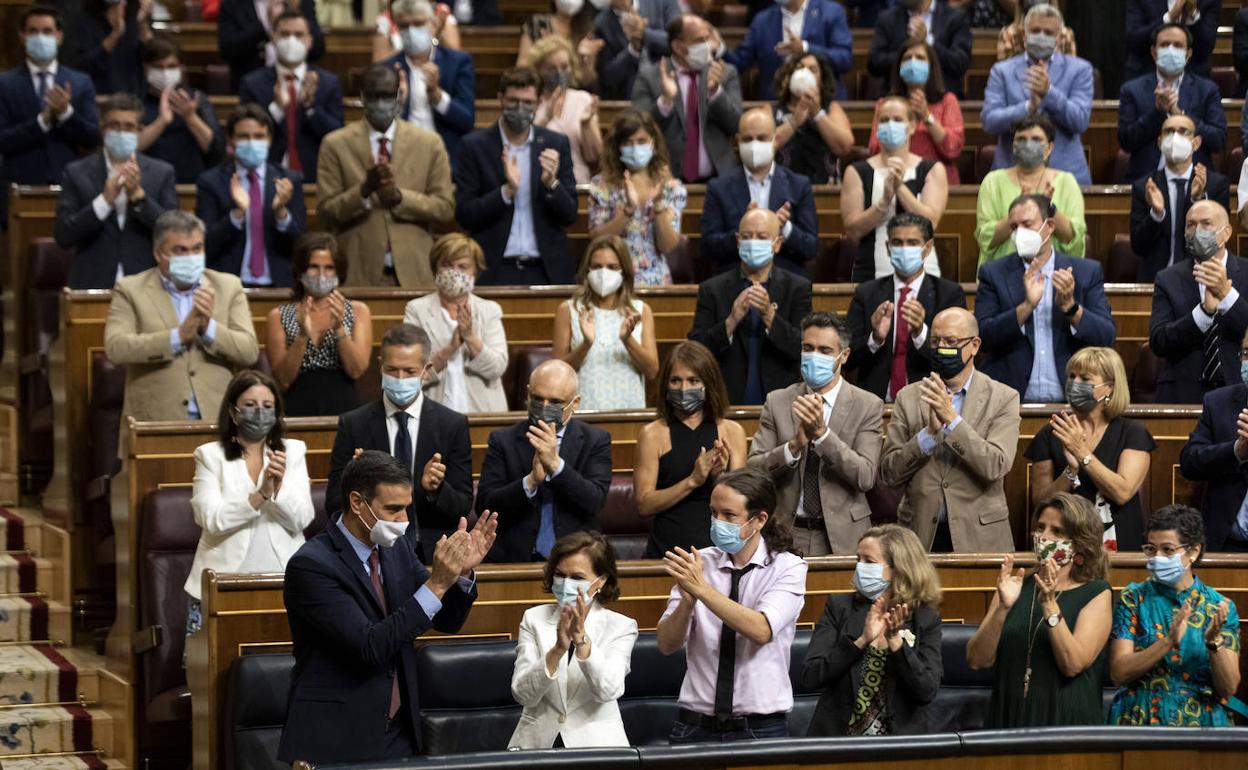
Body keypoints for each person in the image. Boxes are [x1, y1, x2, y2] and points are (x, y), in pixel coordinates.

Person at [277, 451, 497, 764]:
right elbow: (370, 646)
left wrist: (460, 574)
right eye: (393, 509)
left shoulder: (396, 549)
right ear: (357, 502)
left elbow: (446, 619)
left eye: (407, 508)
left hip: (398, 732)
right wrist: (437, 583)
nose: (403, 520)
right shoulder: (312, 565)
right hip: (335, 737)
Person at [656, 467, 806, 742]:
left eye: (729, 515)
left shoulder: (788, 567)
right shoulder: (698, 563)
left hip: (761, 728)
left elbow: (761, 629)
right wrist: (686, 604)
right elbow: (666, 644)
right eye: (714, 513)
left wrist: (702, 590)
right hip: (695, 725)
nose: (717, 522)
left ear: (759, 520)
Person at [183, 369, 314, 642]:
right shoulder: (210, 456)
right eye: (250, 405)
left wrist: (277, 492)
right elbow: (211, 519)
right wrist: (261, 495)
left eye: (267, 406)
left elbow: (302, 518)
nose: (259, 413)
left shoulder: (293, 451)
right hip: (222, 580)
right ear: (233, 412)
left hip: (284, 576)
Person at [324, 324, 473, 563]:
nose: (400, 378)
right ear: (380, 365)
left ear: (426, 370)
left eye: (409, 371)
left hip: (431, 553)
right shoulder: (353, 424)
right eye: (392, 370)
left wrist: (435, 490)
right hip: (371, 552)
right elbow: (333, 504)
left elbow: (462, 506)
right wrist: (356, 480)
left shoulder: (452, 425)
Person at [965, 493, 1112, 726]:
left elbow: (1072, 664)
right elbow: (976, 659)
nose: (1043, 537)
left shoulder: (1096, 593)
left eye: (1057, 532)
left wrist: (1049, 604)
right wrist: (1002, 608)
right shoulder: (1014, 586)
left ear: (1080, 547)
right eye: (1041, 527)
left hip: (1065, 723)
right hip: (1009, 718)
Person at [880, 307, 1019, 552]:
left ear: (974, 345)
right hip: (919, 536)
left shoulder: (1003, 398)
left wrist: (952, 421)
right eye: (936, 342)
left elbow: (996, 465)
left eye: (951, 342)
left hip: (979, 536)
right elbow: (890, 473)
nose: (942, 348)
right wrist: (928, 437)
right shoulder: (908, 397)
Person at [103, 210, 260, 426]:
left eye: (197, 248)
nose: (190, 257)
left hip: (218, 418)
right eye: (180, 250)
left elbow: (249, 351)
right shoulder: (130, 289)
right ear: (158, 254)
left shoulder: (228, 286)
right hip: (154, 420)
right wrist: (177, 337)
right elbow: (116, 348)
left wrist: (208, 329)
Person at [747, 311, 884, 556]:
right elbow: (753, 471)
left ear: (844, 355)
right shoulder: (778, 401)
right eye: (808, 348)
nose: (814, 356)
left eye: (824, 350)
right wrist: (793, 447)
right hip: (786, 531)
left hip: (844, 535)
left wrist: (822, 435)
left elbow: (865, 476)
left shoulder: (868, 405)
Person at [317, 63, 455, 288]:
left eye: (387, 96)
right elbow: (326, 212)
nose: (381, 103)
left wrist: (400, 198)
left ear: (399, 96)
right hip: (358, 271)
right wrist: (363, 192)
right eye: (374, 96)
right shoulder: (335, 144)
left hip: (415, 271)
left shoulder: (429, 143)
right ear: (363, 97)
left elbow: (445, 208)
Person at [802, 525, 943, 735]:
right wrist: (860, 642)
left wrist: (896, 643)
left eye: (869, 561)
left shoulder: (925, 618)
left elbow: (926, 691)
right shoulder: (839, 607)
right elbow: (810, 676)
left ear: (898, 569)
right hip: (839, 739)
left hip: (900, 743)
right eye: (858, 559)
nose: (859, 567)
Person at [1108, 504, 1241, 725]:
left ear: (1193, 551)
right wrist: (1167, 642)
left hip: (1201, 721)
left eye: (1168, 550)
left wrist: (1213, 643)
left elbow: (1228, 688)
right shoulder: (1133, 598)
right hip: (1141, 716)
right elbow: (1119, 673)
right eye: (1151, 549)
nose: (1157, 557)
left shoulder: (1218, 606)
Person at [975, 193, 1116, 401]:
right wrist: (1026, 307)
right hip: (1010, 401)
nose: (1019, 233)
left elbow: (1106, 336)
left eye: (1027, 224)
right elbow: (983, 337)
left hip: (1072, 401)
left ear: (1049, 226)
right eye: (1014, 227)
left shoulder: (1086, 272)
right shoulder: (993, 273)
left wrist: (1071, 308)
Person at [508, 532, 639, 749]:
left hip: (598, 748)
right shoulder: (533, 619)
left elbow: (608, 690)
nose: (566, 584)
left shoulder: (621, 627)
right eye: (560, 575)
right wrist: (557, 650)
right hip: (537, 745)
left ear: (601, 581)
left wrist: (581, 640)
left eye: (577, 577)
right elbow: (523, 694)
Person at [475, 359, 613, 562]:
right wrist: (530, 482)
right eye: (538, 399)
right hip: (514, 558)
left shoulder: (595, 440)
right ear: (528, 394)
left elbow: (594, 501)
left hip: (575, 558)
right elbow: (485, 506)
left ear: (575, 403)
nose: (545, 407)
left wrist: (556, 466)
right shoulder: (503, 440)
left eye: (555, 402)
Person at [454, 67, 578, 286]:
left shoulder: (555, 144)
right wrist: (506, 192)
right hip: (493, 268)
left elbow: (569, 215)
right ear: (500, 99)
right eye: (513, 101)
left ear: (539, 103)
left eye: (528, 102)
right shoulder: (474, 146)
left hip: (546, 270)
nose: (520, 108)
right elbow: (465, 215)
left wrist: (551, 184)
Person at [1025, 347, 1156, 552]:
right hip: (1063, 544)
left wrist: (1082, 453)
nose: (1075, 383)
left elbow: (1122, 492)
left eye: (1085, 378)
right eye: (1071, 376)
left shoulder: (1132, 433)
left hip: (1118, 542)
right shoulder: (1052, 432)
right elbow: (1041, 503)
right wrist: (1070, 471)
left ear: (1109, 387)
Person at [635, 340, 748, 558]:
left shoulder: (732, 431)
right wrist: (693, 481)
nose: (684, 389)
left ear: (709, 383)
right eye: (675, 380)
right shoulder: (652, 434)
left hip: (719, 552)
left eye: (693, 380)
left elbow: (741, 503)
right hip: (668, 552)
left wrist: (720, 477)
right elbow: (644, 505)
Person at [688, 208, 812, 405]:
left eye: (762, 237)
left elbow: (803, 348)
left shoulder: (797, 288)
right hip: (726, 400)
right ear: (738, 241)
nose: (753, 242)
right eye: (746, 237)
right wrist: (731, 321)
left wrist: (769, 316)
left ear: (777, 244)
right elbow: (695, 350)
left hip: (781, 401)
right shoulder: (711, 289)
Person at [55, 92, 177, 290]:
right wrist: (104, 201)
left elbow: (172, 232)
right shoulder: (76, 173)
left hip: (146, 285)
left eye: (129, 127)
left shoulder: (162, 173)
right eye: (114, 126)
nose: (121, 132)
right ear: (103, 129)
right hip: (92, 284)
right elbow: (64, 235)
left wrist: (139, 197)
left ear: (139, 130)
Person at [846, 213, 967, 402]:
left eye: (912, 243)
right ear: (888, 248)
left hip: (927, 402)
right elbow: (847, 359)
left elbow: (955, 360)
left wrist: (921, 333)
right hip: (875, 403)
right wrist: (874, 338)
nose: (904, 249)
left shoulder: (949, 294)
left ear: (928, 248)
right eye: (897, 243)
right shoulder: (866, 294)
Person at [0, 5, 100, 224]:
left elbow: (93, 137)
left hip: (68, 185)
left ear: (59, 36)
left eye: (47, 31)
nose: (40, 37)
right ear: (22, 37)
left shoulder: (80, 82)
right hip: (20, 187)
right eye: (33, 31)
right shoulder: (5, 84)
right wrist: (42, 122)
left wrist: (65, 114)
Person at [196, 103, 307, 288]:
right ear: (231, 141)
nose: (251, 142)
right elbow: (205, 245)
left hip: (279, 284)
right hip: (229, 285)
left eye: (259, 136)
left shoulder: (289, 180)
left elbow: (300, 246)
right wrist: (236, 214)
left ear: (269, 140)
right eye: (243, 136)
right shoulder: (211, 182)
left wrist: (281, 213)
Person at [1148, 200, 1248, 403]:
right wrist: (1202, 313)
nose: (1197, 231)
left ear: (1226, 232)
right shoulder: (1168, 278)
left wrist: (1227, 295)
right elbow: (1158, 341)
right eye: (1191, 225)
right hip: (1181, 393)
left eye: (1206, 224)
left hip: (1238, 393)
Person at [981, 3, 1093, 185]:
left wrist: (1049, 92)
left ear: (1059, 38)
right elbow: (990, 122)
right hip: (1011, 174)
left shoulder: (1080, 69)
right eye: (1036, 31)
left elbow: (1080, 121)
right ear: (1024, 35)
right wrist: (1028, 107)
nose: (1041, 36)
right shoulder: (1002, 71)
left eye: (1048, 33)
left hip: (1065, 175)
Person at [266, 232, 372, 417]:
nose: (321, 275)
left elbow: (356, 370)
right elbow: (283, 379)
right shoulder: (278, 315)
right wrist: (302, 336)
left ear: (338, 272)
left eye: (329, 268)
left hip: (345, 408)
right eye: (313, 267)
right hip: (296, 407)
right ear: (300, 271)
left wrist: (339, 329)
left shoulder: (357, 311)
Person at [702, 107, 818, 276]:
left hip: (785, 279)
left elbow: (811, 248)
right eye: (748, 139)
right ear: (737, 141)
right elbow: (708, 248)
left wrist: (785, 228)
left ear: (775, 140)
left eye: (762, 138)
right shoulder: (718, 187)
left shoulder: (799, 185)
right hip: (735, 278)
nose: (754, 145)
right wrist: (743, 230)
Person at [843, 96, 948, 283]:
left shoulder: (932, 169)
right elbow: (853, 230)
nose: (890, 125)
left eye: (898, 119)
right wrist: (883, 202)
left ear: (912, 126)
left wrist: (899, 186)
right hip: (871, 272)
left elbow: (931, 223)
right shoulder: (857, 171)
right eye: (884, 120)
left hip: (924, 272)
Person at [403, 233, 509, 413]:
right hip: (433, 414)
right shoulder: (416, 310)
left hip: (483, 413)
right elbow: (410, 373)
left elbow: (497, 368)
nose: (454, 272)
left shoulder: (489, 310)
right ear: (435, 268)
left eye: (463, 267)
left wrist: (470, 338)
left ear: (475, 271)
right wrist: (450, 349)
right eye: (446, 265)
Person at [631, 13, 743, 184]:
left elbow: (736, 125)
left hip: (718, 180)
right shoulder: (650, 77)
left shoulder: (725, 73)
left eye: (707, 38)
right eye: (699, 40)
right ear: (678, 47)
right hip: (665, 180)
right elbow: (638, 128)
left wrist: (715, 92)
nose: (707, 45)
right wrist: (665, 101)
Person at [553, 235, 659, 410]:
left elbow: (652, 371)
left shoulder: (640, 310)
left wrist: (627, 340)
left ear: (624, 270)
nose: (603, 273)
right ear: (587, 269)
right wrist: (586, 344)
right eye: (596, 266)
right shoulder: (569, 309)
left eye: (612, 267)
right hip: (583, 409)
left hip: (629, 409)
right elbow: (558, 373)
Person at [238, 9, 344, 183]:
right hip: (268, 176)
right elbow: (247, 134)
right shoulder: (252, 83)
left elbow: (337, 135)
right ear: (273, 38)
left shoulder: (328, 83)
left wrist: (310, 108)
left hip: (315, 175)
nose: (291, 41)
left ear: (309, 41)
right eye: (285, 34)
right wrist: (277, 109)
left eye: (298, 34)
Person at [1117, 23, 1225, 185]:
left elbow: (1218, 140)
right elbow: (1126, 141)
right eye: (1165, 45)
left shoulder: (1207, 90)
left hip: (1196, 181)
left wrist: (1179, 115)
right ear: (1154, 52)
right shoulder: (1132, 90)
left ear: (1188, 54)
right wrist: (1158, 113)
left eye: (1178, 45)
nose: (1171, 50)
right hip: (1146, 182)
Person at [587, 108, 685, 286]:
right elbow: (598, 240)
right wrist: (627, 211)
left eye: (641, 141)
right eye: (628, 143)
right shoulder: (602, 185)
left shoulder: (670, 186)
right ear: (617, 147)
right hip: (612, 280)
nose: (635, 148)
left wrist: (659, 207)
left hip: (656, 281)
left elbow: (668, 245)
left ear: (653, 143)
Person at [1130, 113, 1230, 282]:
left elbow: (1218, 241)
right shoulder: (1145, 187)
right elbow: (1138, 246)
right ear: (1160, 142)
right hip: (1156, 280)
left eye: (1183, 131)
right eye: (1169, 131)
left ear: (1196, 143)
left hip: (1201, 277)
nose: (1175, 137)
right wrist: (1156, 213)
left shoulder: (1215, 185)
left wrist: (1198, 200)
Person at [975, 116, 1086, 266]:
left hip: (1054, 273)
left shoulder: (1067, 182)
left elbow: (1075, 241)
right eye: (1021, 139)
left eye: (1036, 139)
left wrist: (1049, 208)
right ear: (1013, 146)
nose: (1028, 144)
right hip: (1002, 272)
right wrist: (1017, 216)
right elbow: (985, 238)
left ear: (1049, 148)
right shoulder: (993, 182)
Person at [1178, 327, 1248, 551]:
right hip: (1226, 545)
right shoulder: (1219, 402)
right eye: (1246, 353)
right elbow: (1189, 462)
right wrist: (1236, 451)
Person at [383, 0, 475, 165]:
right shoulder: (389, 68)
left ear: (433, 24)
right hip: (402, 158)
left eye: (418, 23)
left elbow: (467, 120)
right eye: (404, 26)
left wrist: (437, 96)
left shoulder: (457, 62)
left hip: (445, 157)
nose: (411, 31)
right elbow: (380, 125)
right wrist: (399, 104)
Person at [867, 39, 966, 183]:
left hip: (938, 182)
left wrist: (927, 117)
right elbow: (874, 149)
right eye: (907, 58)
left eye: (920, 58)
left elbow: (953, 149)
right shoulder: (885, 104)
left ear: (931, 66)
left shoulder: (947, 101)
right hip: (894, 179)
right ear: (899, 66)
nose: (913, 63)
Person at [136, 35, 224, 185]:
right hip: (149, 182)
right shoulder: (136, 102)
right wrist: (161, 122)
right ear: (146, 68)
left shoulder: (196, 99)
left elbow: (215, 150)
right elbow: (130, 148)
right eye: (158, 67)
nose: (165, 73)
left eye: (171, 66)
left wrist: (190, 117)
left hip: (193, 181)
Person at [725, 0, 853, 101]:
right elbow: (739, 61)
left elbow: (844, 59)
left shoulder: (831, 12)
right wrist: (720, 48)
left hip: (822, 103)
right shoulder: (762, 20)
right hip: (776, 105)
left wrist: (805, 48)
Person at [525, 34, 603, 185]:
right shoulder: (530, 102)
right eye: (551, 68)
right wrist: (544, 120)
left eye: (564, 67)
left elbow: (595, 158)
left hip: (577, 183)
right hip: (537, 183)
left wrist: (586, 125)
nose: (559, 73)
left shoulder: (583, 100)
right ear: (538, 70)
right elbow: (522, 147)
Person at [771, 53, 853, 186]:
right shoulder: (772, 110)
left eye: (812, 70)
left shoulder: (831, 108)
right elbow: (764, 147)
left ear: (821, 79)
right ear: (789, 76)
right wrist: (794, 122)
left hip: (824, 189)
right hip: (783, 187)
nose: (804, 73)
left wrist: (818, 114)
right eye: (799, 68)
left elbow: (844, 146)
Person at [866, 0, 971, 99]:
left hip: (943, 98)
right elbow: (874, 63)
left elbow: (960, 63)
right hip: (898, 99)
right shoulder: (887, 18)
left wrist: (928, 40)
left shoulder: (956, 17)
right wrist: (906, 56)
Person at [218, 0, 324, 92]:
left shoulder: (301, 1)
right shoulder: (233, 3)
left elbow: (318, 49)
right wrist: (266, 25)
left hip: (298, 85)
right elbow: (227, 49)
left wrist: (293, 17)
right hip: (251, 89)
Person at [594, 0, 682, 100]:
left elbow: (680, 43)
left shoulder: (664, 2)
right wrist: (633, 50)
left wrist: (645, 34)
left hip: (671, 89)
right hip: (631, 99)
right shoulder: (601, 23)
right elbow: (607, 76)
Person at [1124, 0, 1220, 82]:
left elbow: (1205, 48)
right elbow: (1134, 40)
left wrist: (1192, 16)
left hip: (1193, 79)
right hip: (1145, 75)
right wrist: (1169, 18)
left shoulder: (1208, 1)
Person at [75, 0, 152, 98]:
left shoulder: (134, 18)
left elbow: (152, 55)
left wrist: (143, 24)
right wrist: (115, 35)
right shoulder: (85, 21)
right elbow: (83, 66)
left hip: (133, 97)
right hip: (101, 98)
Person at [518, 0, 602, 88]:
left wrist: (585, 61)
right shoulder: (537, 25)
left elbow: (588, 80)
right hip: (540, 89)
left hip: (573, 90)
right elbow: (522, 68)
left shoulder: (587, 30)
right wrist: (542, 52)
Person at [374, 0, 461, 61]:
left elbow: (455, 58)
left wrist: (433, 37)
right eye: (404, 25)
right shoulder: (386, 19)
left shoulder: (441, 14)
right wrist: (408, 47)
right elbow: (379, 62)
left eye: (418, 24)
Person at [996, 0, 1076, 60]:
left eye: (1048, 32)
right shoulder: (1008, 35)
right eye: (1035, 30)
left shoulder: (1065, 35)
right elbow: (1003, 73)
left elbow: (1071, 71)